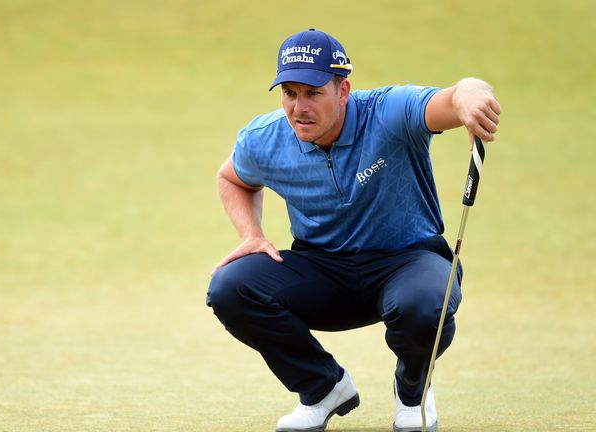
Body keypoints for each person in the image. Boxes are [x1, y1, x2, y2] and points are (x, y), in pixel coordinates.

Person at [206, 29, 501, 432]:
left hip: (408, 263)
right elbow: (232, 178)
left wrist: (471, 95)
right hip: (323, 270)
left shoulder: (388, 112)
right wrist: (251, 235)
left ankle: (412, 388)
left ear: (343, 90)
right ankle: (322, 388)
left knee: (427, 302)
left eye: (312, 92)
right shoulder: (265, 138)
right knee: (230, 286)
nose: (298, 107)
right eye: (289, 93)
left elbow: (454, 96)